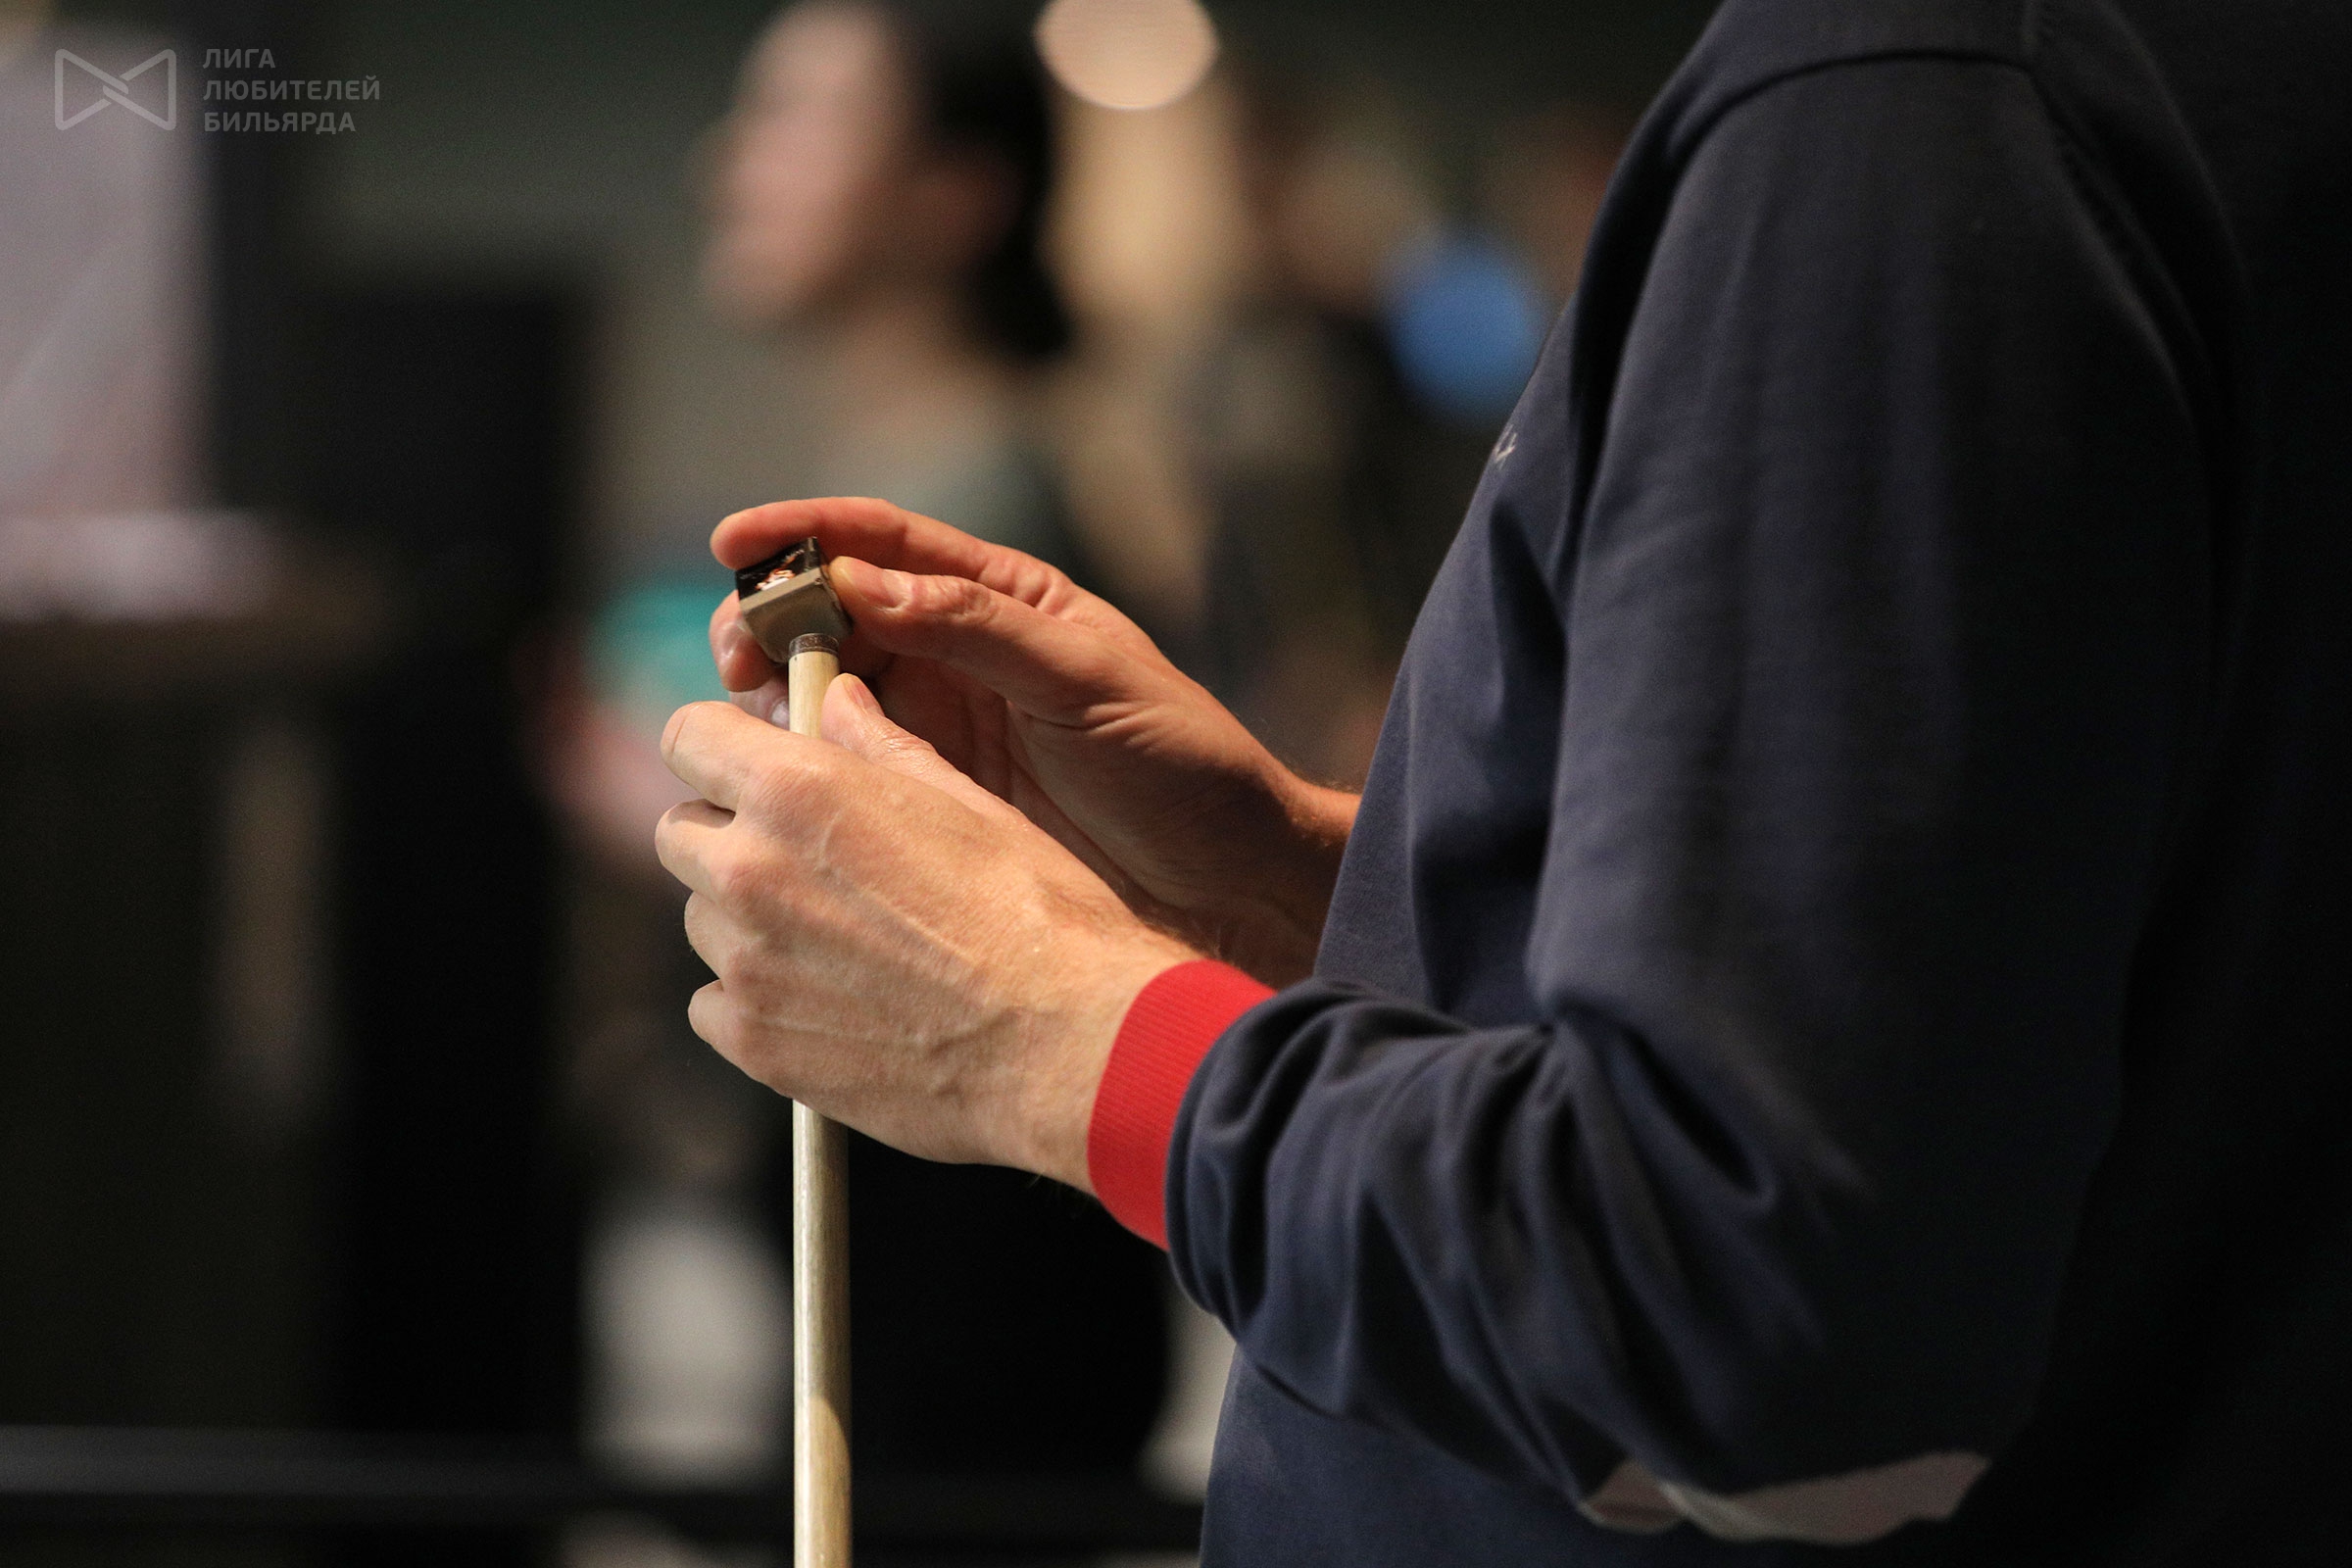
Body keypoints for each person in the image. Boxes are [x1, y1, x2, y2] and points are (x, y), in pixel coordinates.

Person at [655, 0, 2352, 1561]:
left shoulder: (1915, 102)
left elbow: (1741, 1311)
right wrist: (1306, 890)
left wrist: (1044, 1029)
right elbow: (2003, 1007)